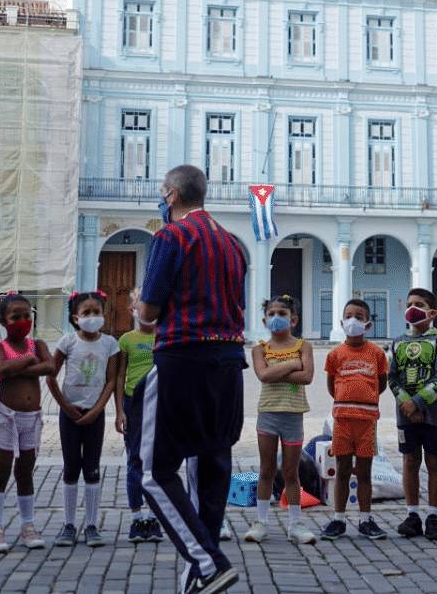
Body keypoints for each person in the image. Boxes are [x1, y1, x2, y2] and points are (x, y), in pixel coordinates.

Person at [130, 164, 245, 594]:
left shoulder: (171, 237)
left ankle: (208, 564)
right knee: (212, 469)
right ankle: (195, 583)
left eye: (162, 193)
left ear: (172, 194)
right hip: (230, 360)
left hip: (183, 357)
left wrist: (141, 309)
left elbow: (150, 313)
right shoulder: (232, 244)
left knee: (155, 471)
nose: (161, 199)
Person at [49, 291, 120, 548]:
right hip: (70, 414)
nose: (92, 317)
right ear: (75, 318)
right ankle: (69, 524)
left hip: (95, 414)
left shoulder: (110, 344)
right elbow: (51, 376)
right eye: (86, 313)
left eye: (96, 312)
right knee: (71, 468)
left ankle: (91, 524)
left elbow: (111, 380)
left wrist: (97, 409)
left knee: (92, 469)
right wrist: (66, 406)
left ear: (104, 314)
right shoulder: (67, 342)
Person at [244, 295, 316, 545]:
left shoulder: (304, 346)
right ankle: (261, 521)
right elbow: (263, 375)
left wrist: (281, 369)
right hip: (268, 414)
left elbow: (307, 377)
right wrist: (292, 364)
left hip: (293, 415)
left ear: (293, 320)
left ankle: (295, 522)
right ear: (264, 320)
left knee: (290, 472)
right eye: (272, 314)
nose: (277, 318)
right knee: (265, 470)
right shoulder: (259, 349)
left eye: (282, 314)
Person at [0, 292, 54, 553]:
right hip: (7, 417)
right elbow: (0, 368)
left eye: (27, 316)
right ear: (2, 320)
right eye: (16, 317)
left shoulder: (38, 344)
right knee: (0, 471)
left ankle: (28, 525)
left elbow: (49, 367)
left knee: (25, 472)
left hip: (31, 418)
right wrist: (26, 361)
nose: (23, 321)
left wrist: (18, 367)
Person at [321, 298, 387, 541]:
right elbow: (331, 386)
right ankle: (338, 520)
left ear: (367, 325)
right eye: (349, 316)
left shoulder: (377, 353)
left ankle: (365, 519)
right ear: (341, 322)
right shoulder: (335, 355)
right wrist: (345, 398)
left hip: (367, 420)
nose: (353, 321)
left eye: (359, 317)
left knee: (365, 472)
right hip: (343, 420)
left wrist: (365, 398)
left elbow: (381, 383)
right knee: (342, 470)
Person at [390, 288, 437, 541]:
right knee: (410, 462)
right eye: (409, 303)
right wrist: (406, 403)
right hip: (405, 415)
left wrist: (418, 403)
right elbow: (391, 376)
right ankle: (412, 514)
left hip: (434, 415)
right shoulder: (397, 342)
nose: (412, 308)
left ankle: (433, 516)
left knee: (435, 463)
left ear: (432, 312)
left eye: (418, 304)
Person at [115, 289, 165, 543]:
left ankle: (154, 518)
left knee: (156, 463)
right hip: (134, 403)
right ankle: (137, 519)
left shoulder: (165, 338)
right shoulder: (126, 340)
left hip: (161, 403)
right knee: (135, 460)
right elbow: (120, 376)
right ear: (132, 311)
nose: (146, 312)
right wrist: (119, 410)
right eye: (140, 306)